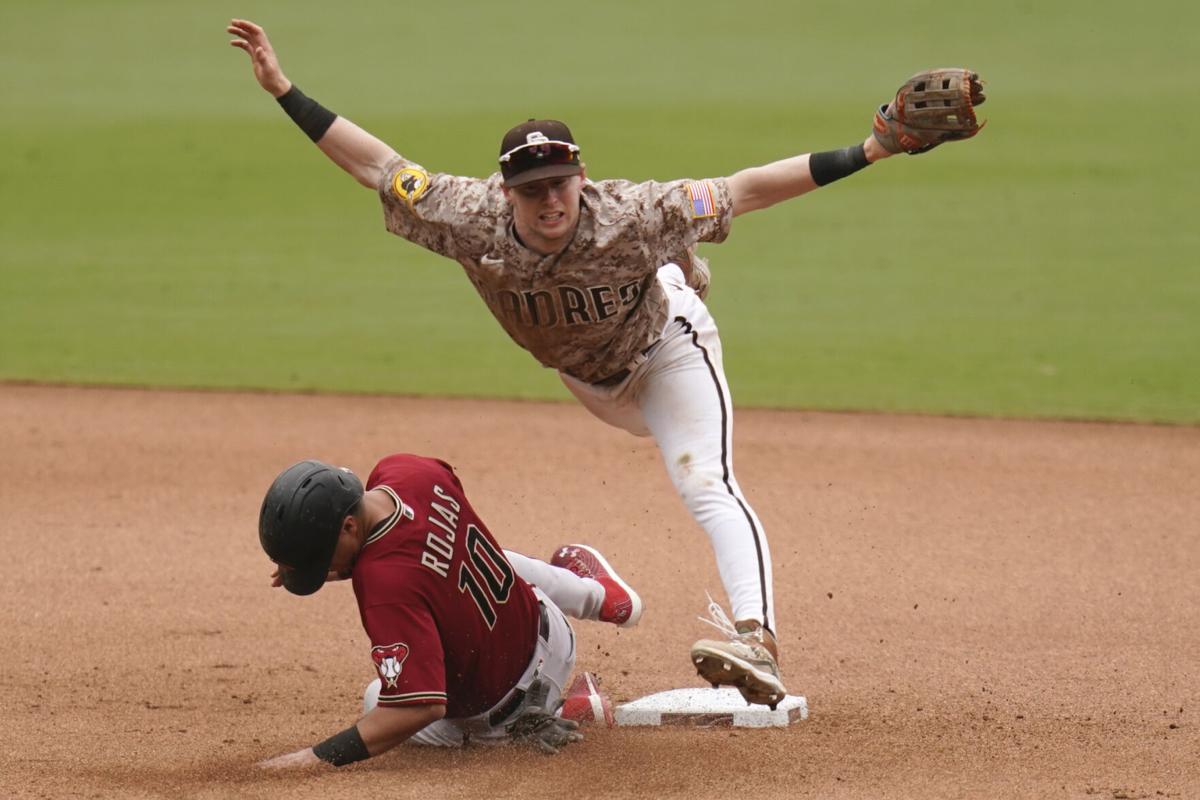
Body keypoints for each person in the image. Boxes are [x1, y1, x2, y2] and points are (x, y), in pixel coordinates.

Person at [228, 18, 984, 710]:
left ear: (581, 177)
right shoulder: (468, 215)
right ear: (507, 192)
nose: (547, 200)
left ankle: (758, 636)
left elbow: (748, 189)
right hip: (585, 380)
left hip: (665, 354)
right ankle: (586, 576)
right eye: (530, 190)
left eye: (559, 183)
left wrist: (873, 148)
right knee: (622, 387)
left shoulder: (633, 213)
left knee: (704, 479)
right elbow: (376, 166)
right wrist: (285, 90)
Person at [254, 454, 642, 768]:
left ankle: (553, 711)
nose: (322, 569)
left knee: (378, 700)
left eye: (320, 557)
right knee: (476, 558)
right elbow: (422, 535)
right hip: (552, 629)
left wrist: (315, 757)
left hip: (504, 713)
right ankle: (596, 596)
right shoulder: (408, 471)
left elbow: (419, 708)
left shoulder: (383, 587)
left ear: (350, 528)